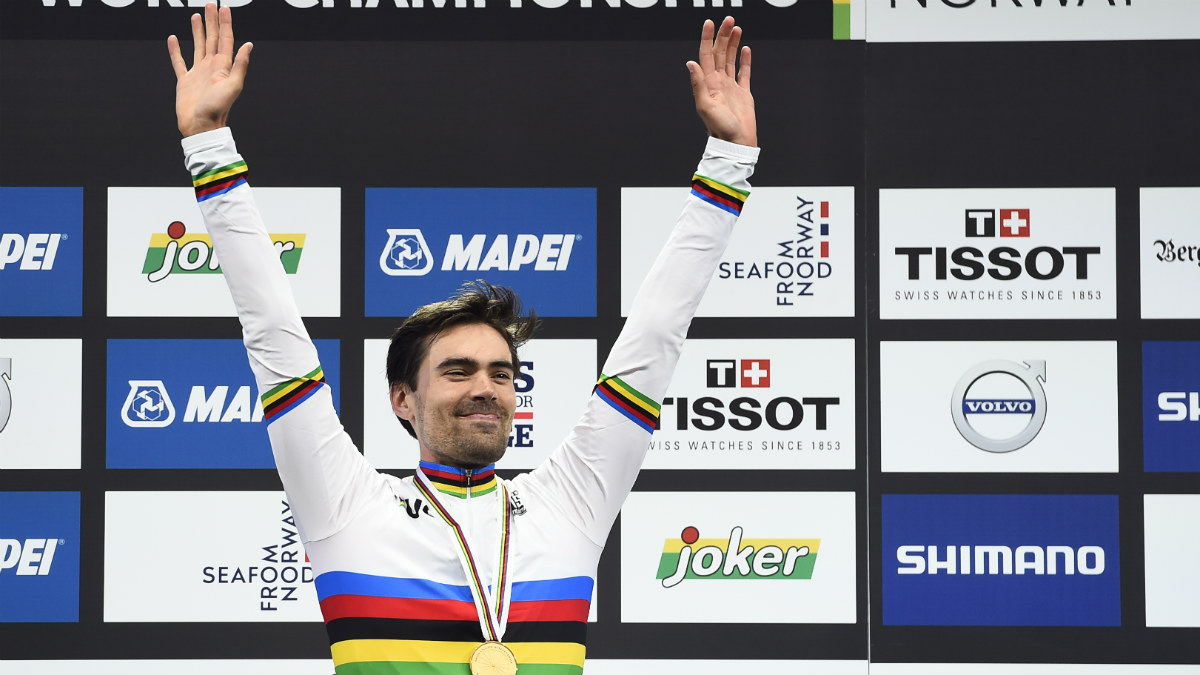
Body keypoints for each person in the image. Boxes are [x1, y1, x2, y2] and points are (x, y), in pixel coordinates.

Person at [168, 4, 758, 673]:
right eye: (457, 371)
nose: (485, 388)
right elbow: (272, 330)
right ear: (402, 400)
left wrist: (729, 161)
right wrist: (209, 143)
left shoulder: (570, 502)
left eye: (502, 374)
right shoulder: (346, 503)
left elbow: (655, 336)